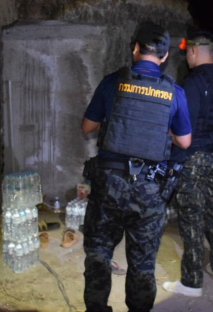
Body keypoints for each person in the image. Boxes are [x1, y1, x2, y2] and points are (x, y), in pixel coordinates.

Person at [81, 21, 192, 312]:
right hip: (149, 190)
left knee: (98, 253)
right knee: (143, 263)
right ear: (165, 56)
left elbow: (87, 126)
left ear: (135, 49)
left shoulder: (112, 82)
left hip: (108, 186)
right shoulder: (174, 92)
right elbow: (185, 141)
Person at [163, 31, 213, 297]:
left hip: (194, 158)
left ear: (194, 51)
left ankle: (192, 282)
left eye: (187, 53)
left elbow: (183, 123)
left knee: (192, 218)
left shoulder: (193, 81)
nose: (187, 57)